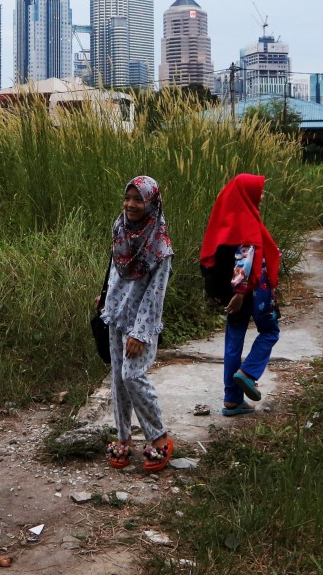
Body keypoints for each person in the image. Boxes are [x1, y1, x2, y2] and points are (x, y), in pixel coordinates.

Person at [97, 177, 175, 473]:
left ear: (152, 202)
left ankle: (159, 435)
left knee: (132, 375)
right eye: (127, 198)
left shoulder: (160, 245)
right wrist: (104, 293)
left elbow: (156, 295)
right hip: (115, 311)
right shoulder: (121, 227)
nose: (130, 204)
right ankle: (124, 436)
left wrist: (141, 333)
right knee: (117, 377)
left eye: (138, 199)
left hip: (140, 322)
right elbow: (115, 265)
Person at [199, 173, 281, 417]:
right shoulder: (247, 221)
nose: (263, 195)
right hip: (254, 292)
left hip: (235, 294)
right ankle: (249, 372)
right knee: (270, 331)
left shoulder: (226, 218)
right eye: (259, 190)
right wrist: (240, 292)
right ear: (247, 194)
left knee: (233, 342)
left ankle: (232, 399)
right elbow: (244, 260)